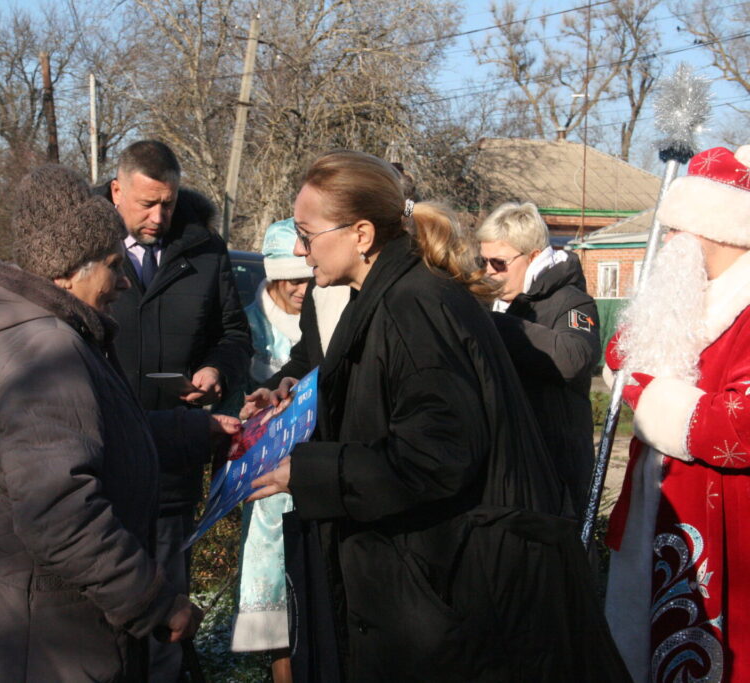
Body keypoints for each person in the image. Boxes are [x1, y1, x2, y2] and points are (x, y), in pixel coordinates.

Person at [244, 151, 628, 681]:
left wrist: (311, 473)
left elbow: (435, 455)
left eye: (307, 235)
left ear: (361, 234)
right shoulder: (383, 295)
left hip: (456, 590)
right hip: (434, 579)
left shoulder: (414, 306)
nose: (298, 249)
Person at [0, 165, 219, 682]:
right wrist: (155, 602)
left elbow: (93, 437)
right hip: (30, 644)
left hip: (0, 633)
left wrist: (195, 432)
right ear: (69, 270)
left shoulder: (19, 335)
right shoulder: (44, 352)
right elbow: (62, 513)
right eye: (114, 266)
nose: (124, 282)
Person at [96, 140, 252, 681]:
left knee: (168, 609)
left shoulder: (204, 250)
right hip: (101, 458)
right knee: (104, 615)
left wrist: (217, 370)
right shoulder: (87, 250)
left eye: (168, 203)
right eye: (146, 204)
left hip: (173, 464)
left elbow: (234, 334)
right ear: (117, 190)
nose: (158, 217)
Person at [604, 145, 750, 682]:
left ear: (716, 230)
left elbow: (741, 426)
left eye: (676, 230)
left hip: (724, 519)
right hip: (657, 506)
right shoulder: (690, 294)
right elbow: (622, 353)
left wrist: (649, 395)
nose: (666, 242)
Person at [477, 202, 600, 512]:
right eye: (484, 261)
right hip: (505, 465)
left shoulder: (572, 301)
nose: (489, 271)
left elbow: (573, 358)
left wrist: (499, 325)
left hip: (554, 470)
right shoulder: (491, 302)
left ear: (533, 257)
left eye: (499, 263)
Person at [231, 218, 312, 680]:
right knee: (274, 586)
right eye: (292, 280)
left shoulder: (325, 321)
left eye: (308, 279)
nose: (302, 290)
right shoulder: (247, 325)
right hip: (265, 475)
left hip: (311, 470)